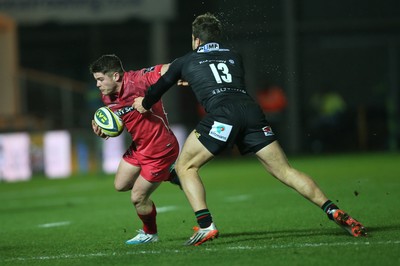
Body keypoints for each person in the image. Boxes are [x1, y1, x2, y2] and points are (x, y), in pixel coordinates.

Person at [133, 13, 366, 246]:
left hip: (223, 115)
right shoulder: (235, 56)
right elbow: (222, 78)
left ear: (195, 40)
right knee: (285, 170)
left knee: (185, 167)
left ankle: (206, 226)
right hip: (251, 112)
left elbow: (158, 88)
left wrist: (143, 104)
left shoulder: (185, 61)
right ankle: (332, 210)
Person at [89, 54, 181, 245]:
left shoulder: (138, 80)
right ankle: (170, 174)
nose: (97, 84)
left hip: (160, 149)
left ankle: (150, 233)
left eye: (100, 79)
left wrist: (189, 69)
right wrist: (103, 129)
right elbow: (119, 122)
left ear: (115, 76)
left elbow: (169, 67)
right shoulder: (106, 97)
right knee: (120, 185)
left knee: (138, 197)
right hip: (139, 147)